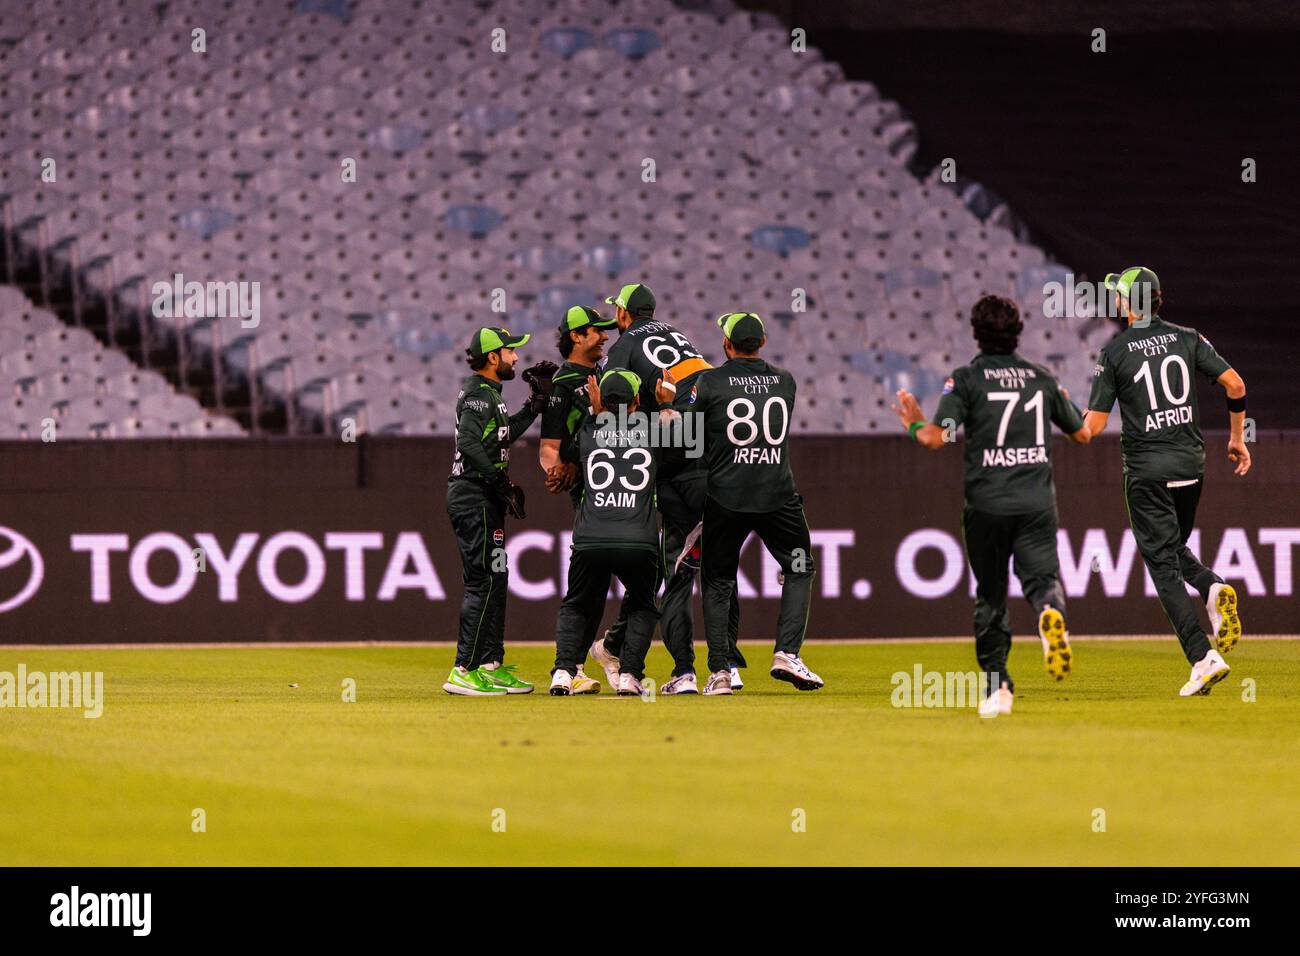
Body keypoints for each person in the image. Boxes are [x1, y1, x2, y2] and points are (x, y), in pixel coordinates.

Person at [893, 294, 1091, 717]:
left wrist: (912, 421)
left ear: (976, 334)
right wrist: (1068, 400)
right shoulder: (1042, 378)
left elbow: (935, 438)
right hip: (1037, 503)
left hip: (987, 505)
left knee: (991, 595)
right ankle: (1050, 614)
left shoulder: (965, 380)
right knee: (1041, 580)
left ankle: (998, 686)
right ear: (1017, 331)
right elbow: (1082, 435)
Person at [1083, 266, 1249, 697]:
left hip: (1147, 473)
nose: (1115, 301)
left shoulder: (1115, 352)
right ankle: (1212, 587)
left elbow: (1094, 427)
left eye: (1118, 295)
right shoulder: (1188, 337)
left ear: (1127, 303)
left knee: (1162, 565)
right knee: (1171, 549)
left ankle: (1202, 657)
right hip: (1190, 468)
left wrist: (1064, 413)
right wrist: (1236, 440)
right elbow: (1234, 384)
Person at [589, 281, 742, 695]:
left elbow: (614, 403)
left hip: (676, 454)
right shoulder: (678, 335)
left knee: (674, 570)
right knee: (716, 566)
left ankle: (684, 671)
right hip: (713, 447)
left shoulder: (622, 348)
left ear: (623, 315)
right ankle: (727, 663)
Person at [692, 311, 822, 696]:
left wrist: (671, 407)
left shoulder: (709, 382)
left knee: (717, 579)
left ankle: (720, 671)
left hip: (726, 496)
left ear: (727, 345)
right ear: (762, 342)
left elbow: (690, 435)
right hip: (777, 496)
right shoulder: (785, 382)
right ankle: (786, 653)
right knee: (799, 567)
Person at [442, 326, 553, 696]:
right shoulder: (477, 395)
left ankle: (490, 665)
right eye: (510, 352)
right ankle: (464, 668)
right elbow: (470, 442)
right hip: (474, 496)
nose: (516, 357)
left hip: (483, 496)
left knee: (496, 579)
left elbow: (501, 435)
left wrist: (533, 408)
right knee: (484, 581)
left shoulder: (490, 394)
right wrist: (498, 480)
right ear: (493, 357)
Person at [550, 369, 670, 696]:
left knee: (576, 604)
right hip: (638, 539)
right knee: (644, 605)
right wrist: (665, 406)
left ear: (602, 399)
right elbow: (692, 437)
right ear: (636, 400)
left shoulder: (588, 432)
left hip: (591, 537)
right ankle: (631, 676)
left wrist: (596, 410)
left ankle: (562, 672)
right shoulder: (655, 430)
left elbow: (573, 450)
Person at [537, 305, 618, 694]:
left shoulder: (604, 376)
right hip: (591, 493)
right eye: (596, 332)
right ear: (575, 337)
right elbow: (548, 447)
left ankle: (577, 665)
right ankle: (567, 667)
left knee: (596, 583)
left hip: (619, 490)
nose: (604, 336)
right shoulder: (563, 383)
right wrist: (556, 470)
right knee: (588, 583)